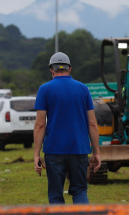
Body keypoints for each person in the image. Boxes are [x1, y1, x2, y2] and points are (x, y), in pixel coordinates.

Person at [33, 52, 101, 204]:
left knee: (56, 194)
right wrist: (96, 152)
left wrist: (36, 154)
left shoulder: (44, 89)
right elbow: (92, 123)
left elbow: (40, 124)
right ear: (70, 69)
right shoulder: (83, 89)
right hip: (79, 149)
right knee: (80, 190)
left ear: (52, 70)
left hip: (54, 150)